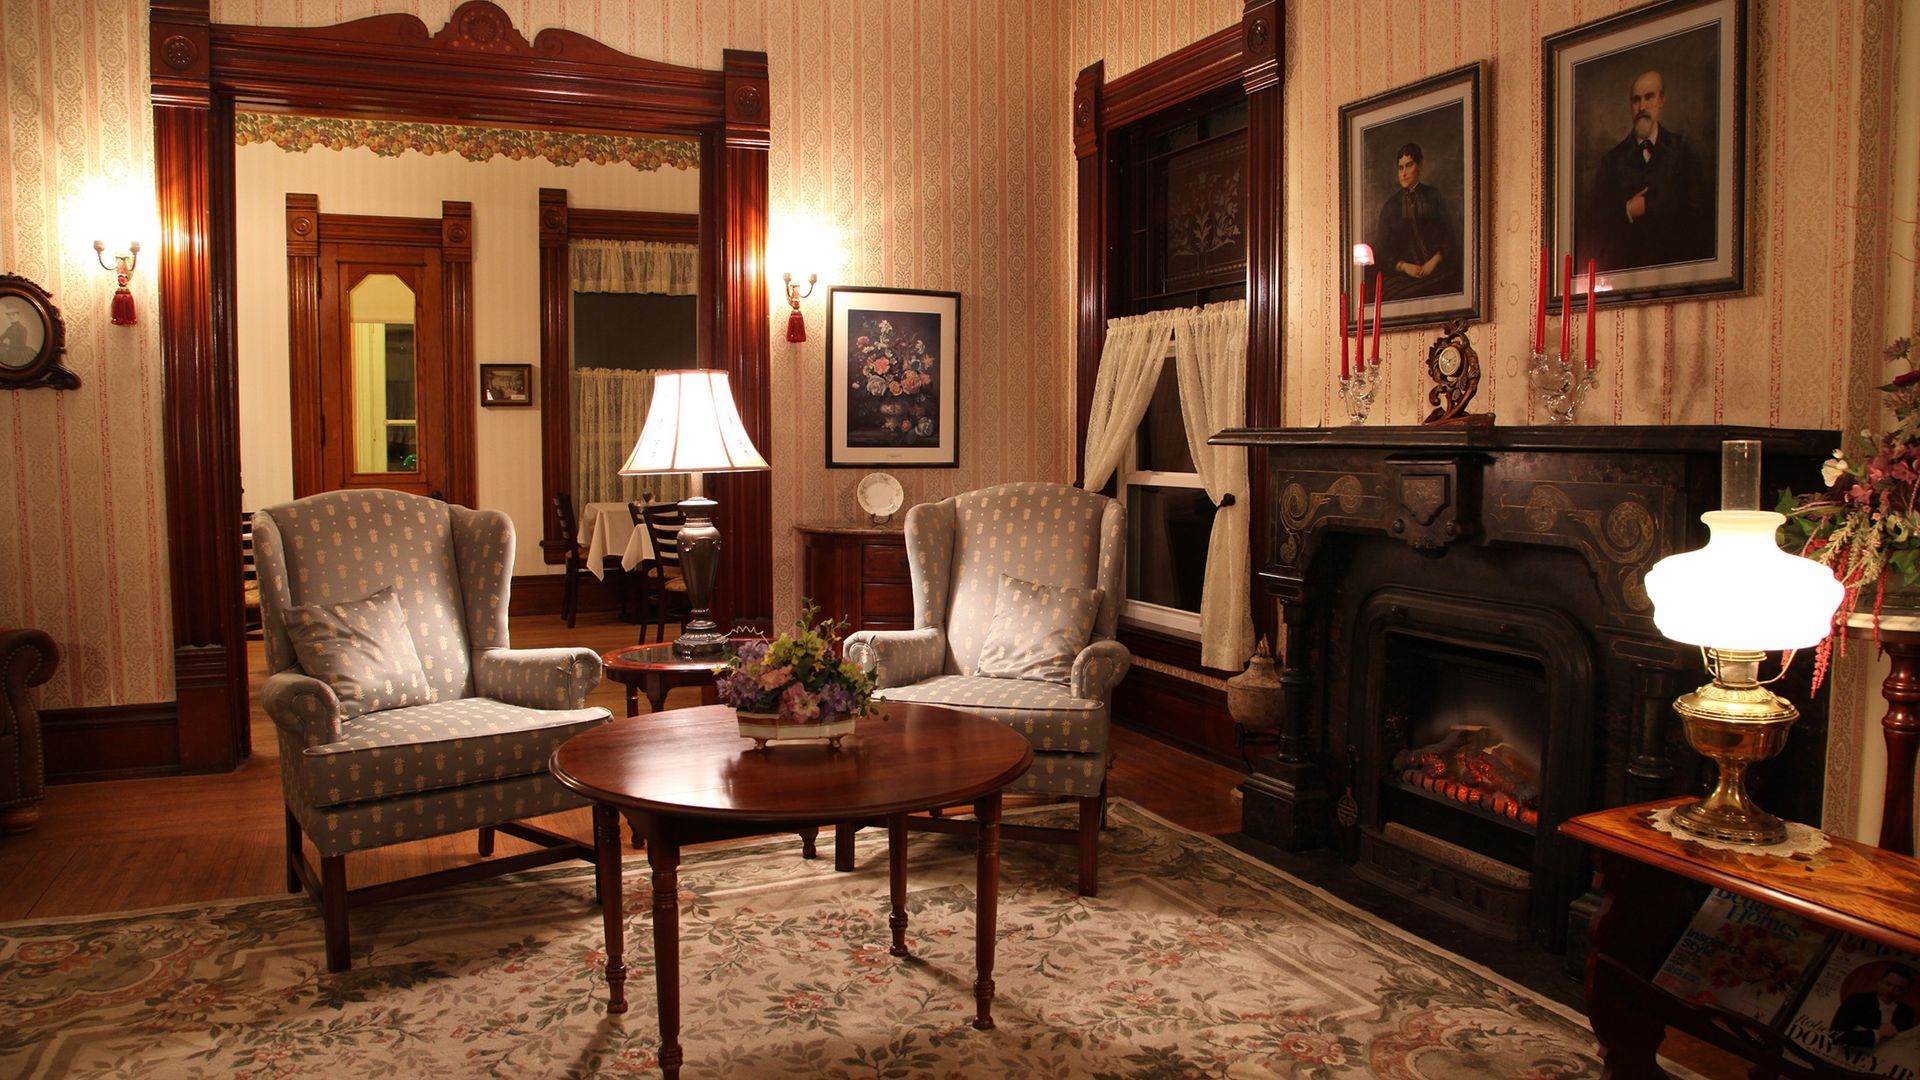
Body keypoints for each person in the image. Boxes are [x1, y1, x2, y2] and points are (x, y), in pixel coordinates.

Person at [1582, 69, 1712, 272]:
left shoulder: (1684, 152)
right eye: (1636, 100)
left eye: (1649, 97)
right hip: (1626, 271)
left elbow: (1700, 219)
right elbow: (1596, 229)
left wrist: (1655, 207)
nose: (1642, 107)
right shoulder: (1611, 161)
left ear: (1661, 100)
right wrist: (1628, 210)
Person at [1371, 142, 1460, 302]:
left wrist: (1434, 261)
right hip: (1402, 277)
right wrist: (1404, 266)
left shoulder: (1434, 196)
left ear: (1420, 165)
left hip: (1437, 271)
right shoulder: (1391, 206)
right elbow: (1382, 249)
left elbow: (1448, 235)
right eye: (1400, 168)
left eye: (1409, 166)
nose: (1403, 173)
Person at [1832, 964, 1919, 1050]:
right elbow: (1836, 1034)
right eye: (1888, 984)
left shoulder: (1906, 1011)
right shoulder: (1857, 1000)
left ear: (1906, 992)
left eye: (1899, 988)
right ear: (1880, 982)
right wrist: (1879, 1033)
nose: (1890, 990)